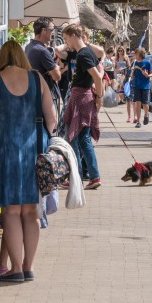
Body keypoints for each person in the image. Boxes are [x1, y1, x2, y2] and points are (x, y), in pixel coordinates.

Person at [0, 41, 57, 282]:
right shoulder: (37, 79)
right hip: (33, 149)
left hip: (6, 149)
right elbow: (51, 118)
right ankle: (28, 267)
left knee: (11, 211)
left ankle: (16, 269)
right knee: (30, 212)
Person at [60, 24, 105, 190]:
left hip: (81, 97)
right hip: (83, 96)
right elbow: (99, 74)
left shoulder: (83, 55)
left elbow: (98, 77)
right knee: (82, 139)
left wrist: (99, 97)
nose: (66, 43)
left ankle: (77, 176)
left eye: (66, 39)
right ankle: (92, 176)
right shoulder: (87, 53)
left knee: (75, 139)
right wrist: (97, 96)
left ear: (73, 35)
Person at [25, 17, 63, 136]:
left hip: (35, 94)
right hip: (46, 96)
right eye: (51, 29)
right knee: (51, 129)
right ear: (43, 30)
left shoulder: (29, 47)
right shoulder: (42, 51)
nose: (53, 32)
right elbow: (57, 76)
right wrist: (56, 68)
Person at [129, 48, 152, 128]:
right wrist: (132, 72)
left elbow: (151, 74)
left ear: (141, 54)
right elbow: (132, 76)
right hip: (136, 85)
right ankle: (138, 121)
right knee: (137, 103)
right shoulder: (134, 63)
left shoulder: (147, 63)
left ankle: (146, 114)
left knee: (145, 104)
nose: (135, 55)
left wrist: (147, 75)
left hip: (145, 86)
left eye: (137, 53)